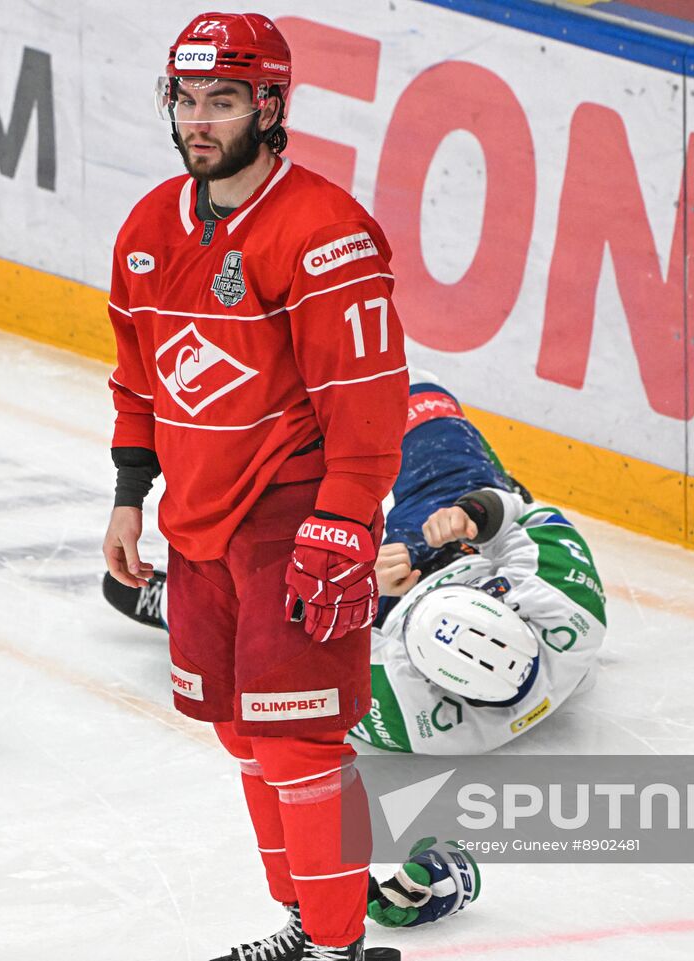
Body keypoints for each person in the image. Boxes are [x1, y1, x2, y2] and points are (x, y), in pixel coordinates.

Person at [101, 13, 409, 961]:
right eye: (187, 100)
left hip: (292, 515)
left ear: (270, 106)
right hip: (196, 522)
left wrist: (344, 524)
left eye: (223, 101)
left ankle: (336, 946)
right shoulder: (151, 225)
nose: (200, 120)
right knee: (241, 732)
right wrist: (127, 494)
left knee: (302, 742)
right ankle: (302, 924)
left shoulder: (326, 235)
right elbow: (139, 377)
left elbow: (367, 403)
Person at [105, 377, 607, 758]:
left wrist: (369, 594)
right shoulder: (569, 609)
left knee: (263, 619)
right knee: (417, 397)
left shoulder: (415, 717)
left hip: (384, 611)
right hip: (459, 548)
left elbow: (307, 666)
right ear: (514, 615)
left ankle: (174, 607)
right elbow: (530, 518)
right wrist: (474, 516)